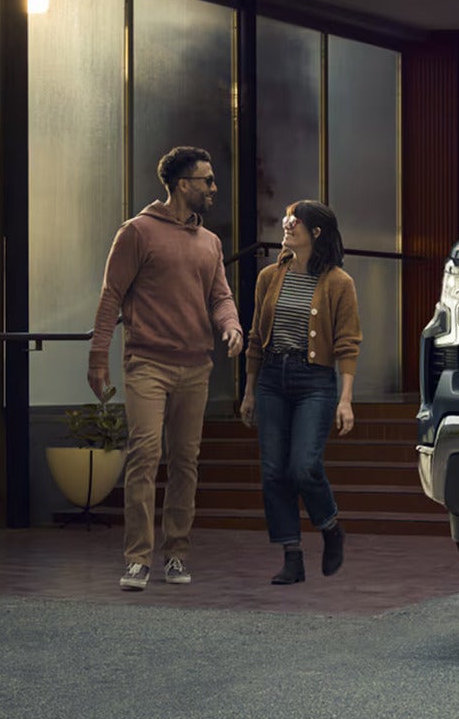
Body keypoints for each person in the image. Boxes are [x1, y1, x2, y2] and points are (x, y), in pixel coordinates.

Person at [90, 146, 243, 591]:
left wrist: (231, 325)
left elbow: (220, 296)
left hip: (195, 367)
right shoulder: (137, 232)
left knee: (185, 462)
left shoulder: (210, 242)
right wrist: (98, 357)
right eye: (207, 180)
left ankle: (176, 554)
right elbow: (111, 295)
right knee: (144, 455)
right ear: (182, 184)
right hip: (147, 364)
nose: (214, 188)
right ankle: (138, 558)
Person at [240, 200, 359, 585]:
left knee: (304, 467)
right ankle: (292, 556)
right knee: (274, 471)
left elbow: (347, 344)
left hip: (315, 382)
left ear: (316, 232)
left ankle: (330, 527)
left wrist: (345, 400)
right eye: (286, 219)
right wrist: (249, 391)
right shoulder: (269, 277)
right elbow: (256, 338)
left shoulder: (340, 283)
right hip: (272, 379)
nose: (287, 225)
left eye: (296, 221)